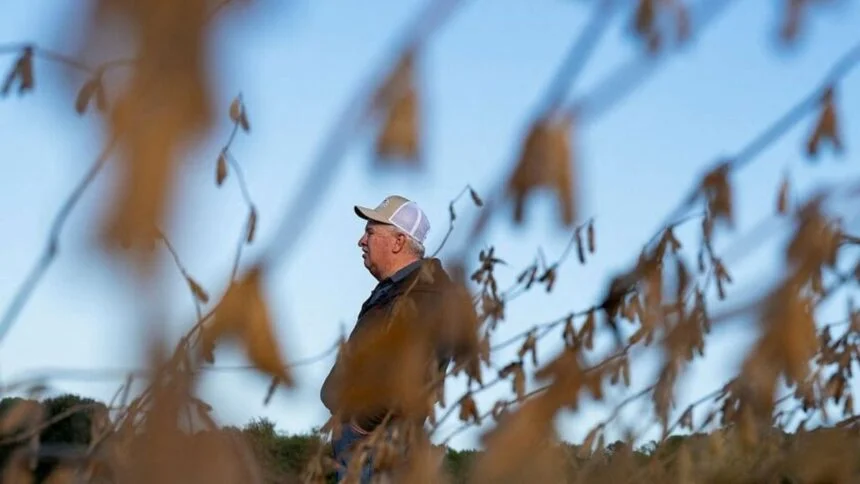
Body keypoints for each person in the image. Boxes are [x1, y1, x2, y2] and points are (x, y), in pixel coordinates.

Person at [320, 195, 477, 483]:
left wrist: (361, 424)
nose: (361, 241)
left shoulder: (426, 295)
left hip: (375, 445)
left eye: (370, 232)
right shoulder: (396, 290)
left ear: (398, 241)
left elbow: (411, 376)